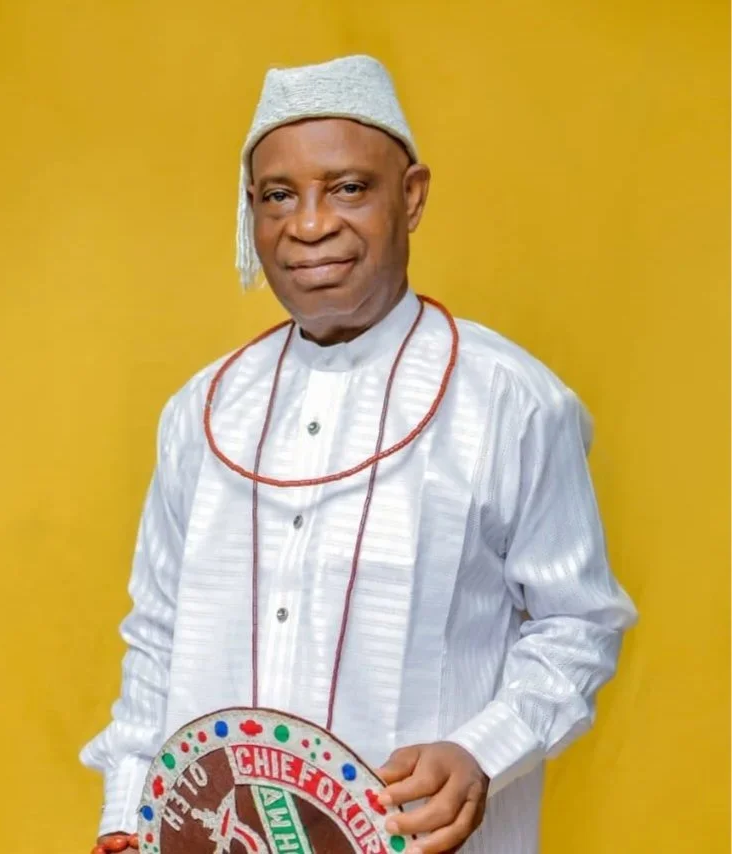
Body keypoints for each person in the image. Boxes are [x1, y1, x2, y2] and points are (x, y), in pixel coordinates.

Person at [81, 54, 637, 854]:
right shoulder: (201, 411)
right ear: (251, 211)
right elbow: (158, 634)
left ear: (410, 197)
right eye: (279, 196)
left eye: (347, 187)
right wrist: (127, 811)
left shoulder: (511, 400)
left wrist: (484, 749)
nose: (308, 225)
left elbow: (577, 623)